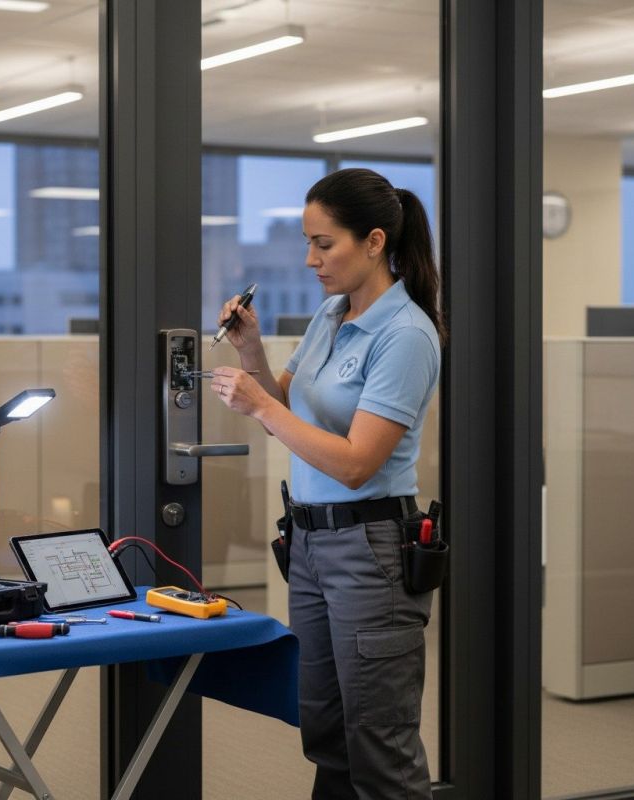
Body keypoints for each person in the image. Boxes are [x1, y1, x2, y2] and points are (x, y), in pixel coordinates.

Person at [209, 167, 445, 800]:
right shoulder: (331, 314)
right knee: (326, 732)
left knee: (379, 745)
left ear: (374, 242)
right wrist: (252, 353)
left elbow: (355, 463)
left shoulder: (406, 335)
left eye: (324, 244)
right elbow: (290, 410)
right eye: (307, 244)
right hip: (311, 545)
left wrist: (262, 405)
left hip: (370, 550)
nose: (310, 259)